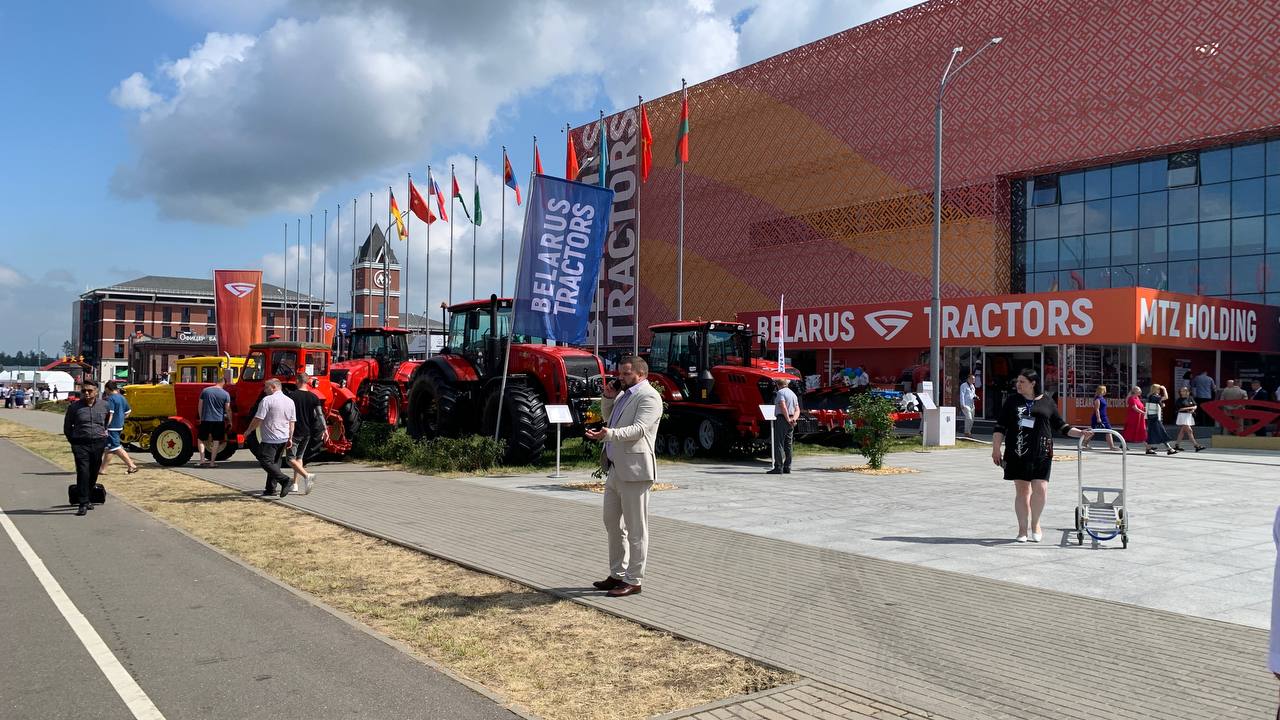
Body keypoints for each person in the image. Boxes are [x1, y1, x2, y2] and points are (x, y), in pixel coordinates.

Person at [584, 356, 662, 598]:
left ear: (641, 374)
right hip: (616, 469)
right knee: (612, 523)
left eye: (626, 374)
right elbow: (609, 417)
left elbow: (638, 430)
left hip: (636, 472)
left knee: (636, 528)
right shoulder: (623, 395)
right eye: (620, 373)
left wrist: (608, 434)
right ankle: (617, 573)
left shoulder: (649, 396)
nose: (621, 378)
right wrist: (608, 397)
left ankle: (634, 580)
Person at [990, 368, 1092, 543]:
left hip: (1042, 451)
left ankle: (1035, 523)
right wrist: (996, 449)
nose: (1018, 385)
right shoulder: (1012, 401)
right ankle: (1022, 529)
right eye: (1017, 381)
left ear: (1033, 383)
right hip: (1018, 451)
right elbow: (1000, 427)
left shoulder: (1047, 401)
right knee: (1022, 490)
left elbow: (1061, 426)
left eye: (1022, 382)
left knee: (1041, 488)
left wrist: (1081, 433)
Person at [63, 380, 110, 516]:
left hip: (98, 443)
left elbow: (106, 422)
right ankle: (82, 503)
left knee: (94, 472)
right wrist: (73, 441)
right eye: (84, 391)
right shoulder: (74, 407)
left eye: (90, 390)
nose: (87, 393)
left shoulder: (104, 406)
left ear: (96, 391)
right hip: (80, 444)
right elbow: (67, 427)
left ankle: (88, 497)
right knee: (83, 471)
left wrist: (103, 436)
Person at [244, 378, 296, 498]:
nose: (264, 390)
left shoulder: (267, 400)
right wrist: (290, 437)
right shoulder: (289, 401)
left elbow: (258, 418)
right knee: (275, 463)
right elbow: (292, 421)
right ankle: (270, 489)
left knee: (264, 460)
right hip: (283, 437)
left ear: (273, 387)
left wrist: (248, 430)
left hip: (270, 438)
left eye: (266, 387)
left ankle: (285, 480)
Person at [284, 372, 322, 494]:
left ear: (297, 381)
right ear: (308, 382)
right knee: (299, 458)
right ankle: (295, 484)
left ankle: (307, 476)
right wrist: (325, 429)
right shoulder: (314, 397)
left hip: (295, 431)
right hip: (307, 432)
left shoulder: (291, 396)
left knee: (290, 459)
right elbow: (319, 415)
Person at [101, 381, 139, 474]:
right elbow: (128, 412)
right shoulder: (122, 398)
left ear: (107, 389)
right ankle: (103, 469)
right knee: (109, 448)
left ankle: (131, 465)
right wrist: (121, 419)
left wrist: (105, 426)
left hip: (112, 427)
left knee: (116, 447)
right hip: (119, 425)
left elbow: (110, 414)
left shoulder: (110, 399)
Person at [197, 375, 233, 467]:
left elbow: (200, 406)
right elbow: (228, 409)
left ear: (216, 381)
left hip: (205, 419)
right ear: (224, 383)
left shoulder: (205, 391)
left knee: (201, 439)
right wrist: (230, 421)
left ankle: (202, 460)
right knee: (216, 441)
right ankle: (212, 463)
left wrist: (201, 418)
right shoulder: (226, 394)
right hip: (219, 420)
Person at [768, 377, 800, 474]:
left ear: (778, 385)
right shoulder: (793, 394)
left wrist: (787, 419)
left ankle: (778, 467)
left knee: (779, 443)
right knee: (788, 444)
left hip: (782, 419)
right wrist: (793, 419)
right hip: (791, 419)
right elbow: (797, 409)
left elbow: (783, 406)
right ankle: (787, 466)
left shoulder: (780, 393)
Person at [1145, 383, 1177, 455]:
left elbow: (1157, 404)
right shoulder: (1153, 396)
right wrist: (1164, 389)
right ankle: (1169, 449)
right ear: (1155, 389)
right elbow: (1166, 397)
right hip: (1154, 417)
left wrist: (1161, 405)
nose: (1159, 390)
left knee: (1152, 433)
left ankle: (1148, 449)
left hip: (1152, 417)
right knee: (1161, 432)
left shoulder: (1152, 396)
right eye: (1159, 389)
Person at [1173, 386, 1204, 452]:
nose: (1184, 392)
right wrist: (1190, 408)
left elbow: (1195, 405)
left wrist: (1193, 410)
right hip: (1183, 416)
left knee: (1182, 431)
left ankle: (1177, 445)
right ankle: (1196, 445)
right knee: (1189, 430)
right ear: (1180, 392)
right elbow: (1180, 409)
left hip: (1189, 416)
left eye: (1185, 390)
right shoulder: (1179, 400)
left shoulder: (1190, 398)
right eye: (1182, 391)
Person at [1085, 385, 1116, 451]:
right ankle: (1085, 443)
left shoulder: (1102, 398)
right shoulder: (1097, 399)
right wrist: (1098, 418)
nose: (1106, 391)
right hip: (1098, 417)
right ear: (1102, 391)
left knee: (1109, 430)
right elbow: (1097, 409)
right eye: (1105, 390)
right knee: (1092, 431)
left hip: (1104, 417)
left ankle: (1111, 446)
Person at [959, 373, 978, 438]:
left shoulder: (973, 386)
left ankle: (968, 432)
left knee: (972, 419)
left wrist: (976, 396)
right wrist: (962, 404)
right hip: (966, 405)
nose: (973, 380)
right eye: (972, 379)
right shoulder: (963, 385)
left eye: (974, 379)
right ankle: (966, 432)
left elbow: (973, 394)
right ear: (968, 379)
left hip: (972, 405)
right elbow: (962, 395)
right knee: (969, 418)